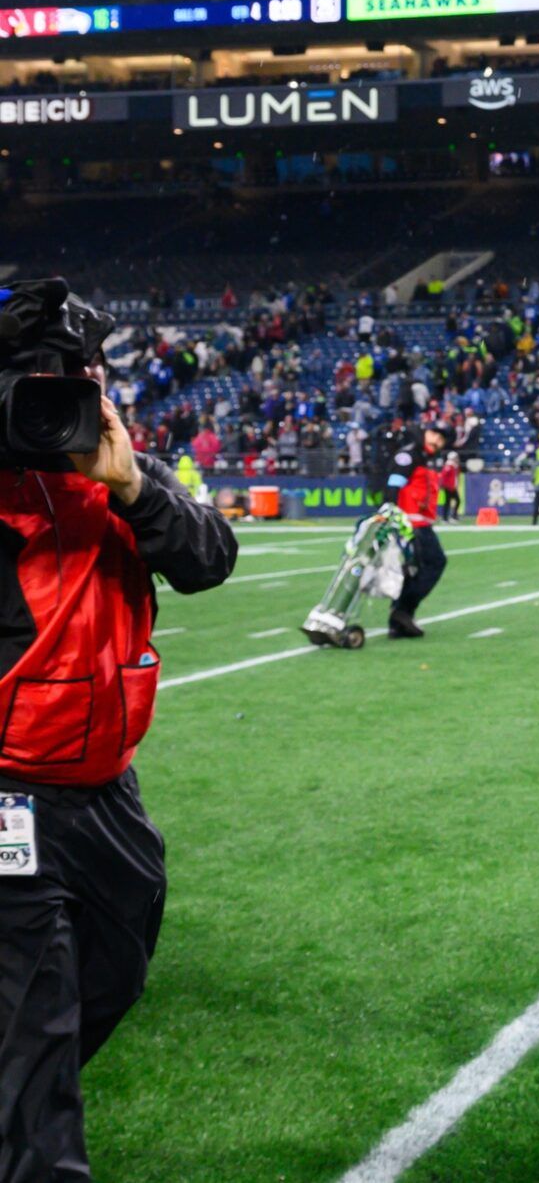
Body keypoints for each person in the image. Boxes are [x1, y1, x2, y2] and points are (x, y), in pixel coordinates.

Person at [0, 280, 238, 1183]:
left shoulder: (110, 467)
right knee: (35, 1023)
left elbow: (210, 560)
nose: (56, 400)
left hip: (106, 788)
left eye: (73, 379)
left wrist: (135, 486)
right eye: (36, 383)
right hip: (9, 787)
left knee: (117, 968)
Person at [387, 424, 449, 639]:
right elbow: (393, 485)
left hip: (417, 523)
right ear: (425, 433)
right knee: (435, 562)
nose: (437, 441)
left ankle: (399, 621)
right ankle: (403, 610)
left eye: (441, 439)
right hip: (411, 524)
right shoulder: (410, 454)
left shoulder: (422, 456)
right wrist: (392, 518)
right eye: (434, 434)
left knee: (412, 570)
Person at [439, 451, 462, 523]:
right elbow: (443, 476)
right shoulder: (448, 466)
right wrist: (442, 485)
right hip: (448, 487)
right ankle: (445, 518)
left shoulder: (454, 466)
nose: (457, 459)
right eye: (456, 457)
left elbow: (455, 477)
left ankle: (453, 516)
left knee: (457, 501)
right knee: (448, 502)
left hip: (452, 487)